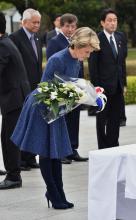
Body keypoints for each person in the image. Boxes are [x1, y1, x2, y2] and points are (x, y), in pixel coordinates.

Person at [11, 27, 100, 209]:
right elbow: (45, 89)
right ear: (78, 45)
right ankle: (53, 192)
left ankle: (58, 192)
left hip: (57, 107)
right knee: (46, 152)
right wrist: (75, 95)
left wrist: (88, 93)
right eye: (87, 51)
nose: (88, 55)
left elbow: (71, 86)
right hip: (42, 107)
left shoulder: (76, 60)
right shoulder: (57, 59)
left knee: (56, 152)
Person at [46, 13, 87, 164]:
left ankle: (72, 149)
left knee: (74, 118)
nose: (70, 29)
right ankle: (62, 150)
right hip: (62, 87)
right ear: (60, 26)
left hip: (76, 86)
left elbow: (80, 63)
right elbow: (53, 66)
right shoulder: (54, 42)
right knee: (62, 119)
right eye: (67, 26)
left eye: (73, 26)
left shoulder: (78, 41)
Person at [88, 8, 127, 149]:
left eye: (115, 20)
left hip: (117, 86)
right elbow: (93, 66)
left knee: (115, 119)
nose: (113, 23)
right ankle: (103, 147)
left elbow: (122, 63)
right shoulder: (97, 39)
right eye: (109, 20)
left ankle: (113, 144)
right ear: (102, 23)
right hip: (102, 88)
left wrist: (124, 84)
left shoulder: (120, 37)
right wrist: (96, 88)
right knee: (102, 119)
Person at [0, 12, 31, 189]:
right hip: (16, 98)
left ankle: (14, 177)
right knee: (7, 137)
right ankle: (13, 173)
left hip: (14, 99)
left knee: (9, 139)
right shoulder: (5, 42)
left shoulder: (3, 46)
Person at [10, 8, 43, 170]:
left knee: (34, 123)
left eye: (39, 22)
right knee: (22, 124)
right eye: (34, 22)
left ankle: (30, 157)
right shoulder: (15, 38)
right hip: (22, 88)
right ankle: (21, 160)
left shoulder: (37, 38)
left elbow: (37, 64)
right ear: (24, 22)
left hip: (36, 88)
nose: (37, 25)